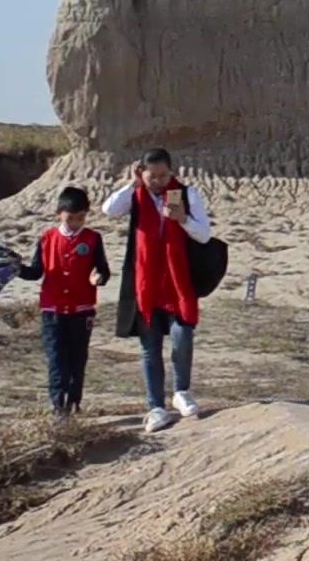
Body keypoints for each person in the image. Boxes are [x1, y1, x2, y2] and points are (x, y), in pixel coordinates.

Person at [103, 147, 212, 433]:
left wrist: (183, 220)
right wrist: (132, 185)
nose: (159, 181)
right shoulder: (135, 197)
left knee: (182, 335)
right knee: (149, 348)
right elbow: (109, 210)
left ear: (171, 172)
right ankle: (155, 407)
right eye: (153, 176)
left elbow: (204, 235)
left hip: (177, 283)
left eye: (164, 175)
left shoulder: (187, 195)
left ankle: (181, 391)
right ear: (142, 172)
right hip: (145, 284)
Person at [16, 186, 111, 416]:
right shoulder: (47, 238)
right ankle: (58, 407)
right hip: (53, 311)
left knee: (78, 359)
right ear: (59, 213)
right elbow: (35, 272)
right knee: (56, 360)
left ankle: (74, 403)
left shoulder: (93, 238)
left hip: (82, 311)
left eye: (81, 218)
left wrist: (99, 278)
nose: (75, 223)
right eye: (70, 218)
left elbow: (104, 270)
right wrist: (14, 269)